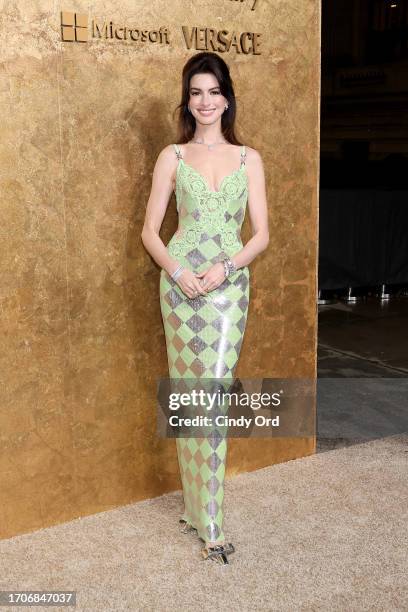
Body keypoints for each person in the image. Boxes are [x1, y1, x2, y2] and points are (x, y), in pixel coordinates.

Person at [141, 51, 269, 565]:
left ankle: (210, 519)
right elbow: (150, 231)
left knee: (213, 393)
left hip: (228, 288)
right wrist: (179, 272)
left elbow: (262, 235)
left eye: (214, 91)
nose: (205, 101)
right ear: (187, 100)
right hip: (180, 288)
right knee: (189, 395)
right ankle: (199, 511)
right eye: (196, 92)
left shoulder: (248, 159)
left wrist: (226, 269)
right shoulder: (172, 156)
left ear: (227, 97)